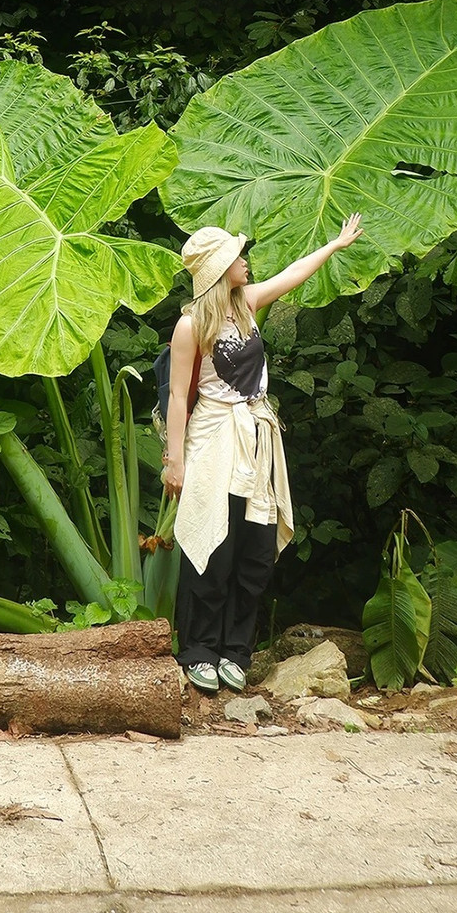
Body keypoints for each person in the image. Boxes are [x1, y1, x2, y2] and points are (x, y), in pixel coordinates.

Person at [162, 216, 363, 694]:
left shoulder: (246, 305)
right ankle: (199, 651)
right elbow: (175, 396)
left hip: (255, 437)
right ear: (218, 269)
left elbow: (292, 274)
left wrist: (333, 245)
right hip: (214, 441)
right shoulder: (191, 325)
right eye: (237, 257)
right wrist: (175, 459)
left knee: (254, 548)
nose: (245, 261)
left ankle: (236, 651)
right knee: (214, 545)